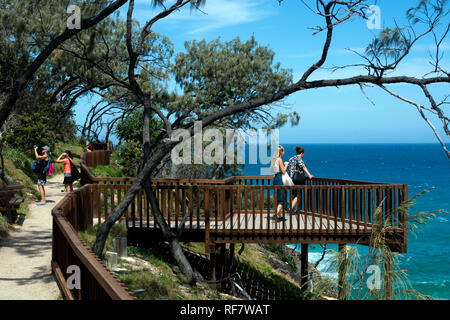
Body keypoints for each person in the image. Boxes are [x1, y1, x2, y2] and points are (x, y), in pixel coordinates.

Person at [287, 146, 314, 212]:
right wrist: (309, 175)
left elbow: (288, 167)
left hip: (291, 178)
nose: (303, 155)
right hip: (297, 179)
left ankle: (293, 209)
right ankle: (290, 209)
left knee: (293, 194)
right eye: (304, 154)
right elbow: (303, 167)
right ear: (302, 153)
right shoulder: (299, 158)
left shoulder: (291, 158)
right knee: (298, 195)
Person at [270, 145, 289, 222]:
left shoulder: (273, 160)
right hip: (279, 178)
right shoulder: (279, 160)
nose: (284, 152)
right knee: (282, 199)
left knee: (278, 197)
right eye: (283, 151)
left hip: (275, 178)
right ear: (280, 152)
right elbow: (283, 171)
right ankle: (276, 215)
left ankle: (280, 215)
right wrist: (286, 165)